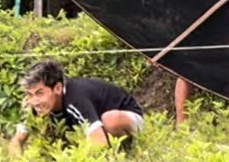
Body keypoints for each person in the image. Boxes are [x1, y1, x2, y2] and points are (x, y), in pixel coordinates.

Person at [8, 60, 143, 155]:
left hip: (126, 118)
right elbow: (16, 141)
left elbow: (99, 143)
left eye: (40, 93)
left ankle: (126, 150)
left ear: (58, 88)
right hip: (95, 127)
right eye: (30, 95)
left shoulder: (75, 98)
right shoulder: (33, 105)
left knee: (110, 120)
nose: (35, 101)